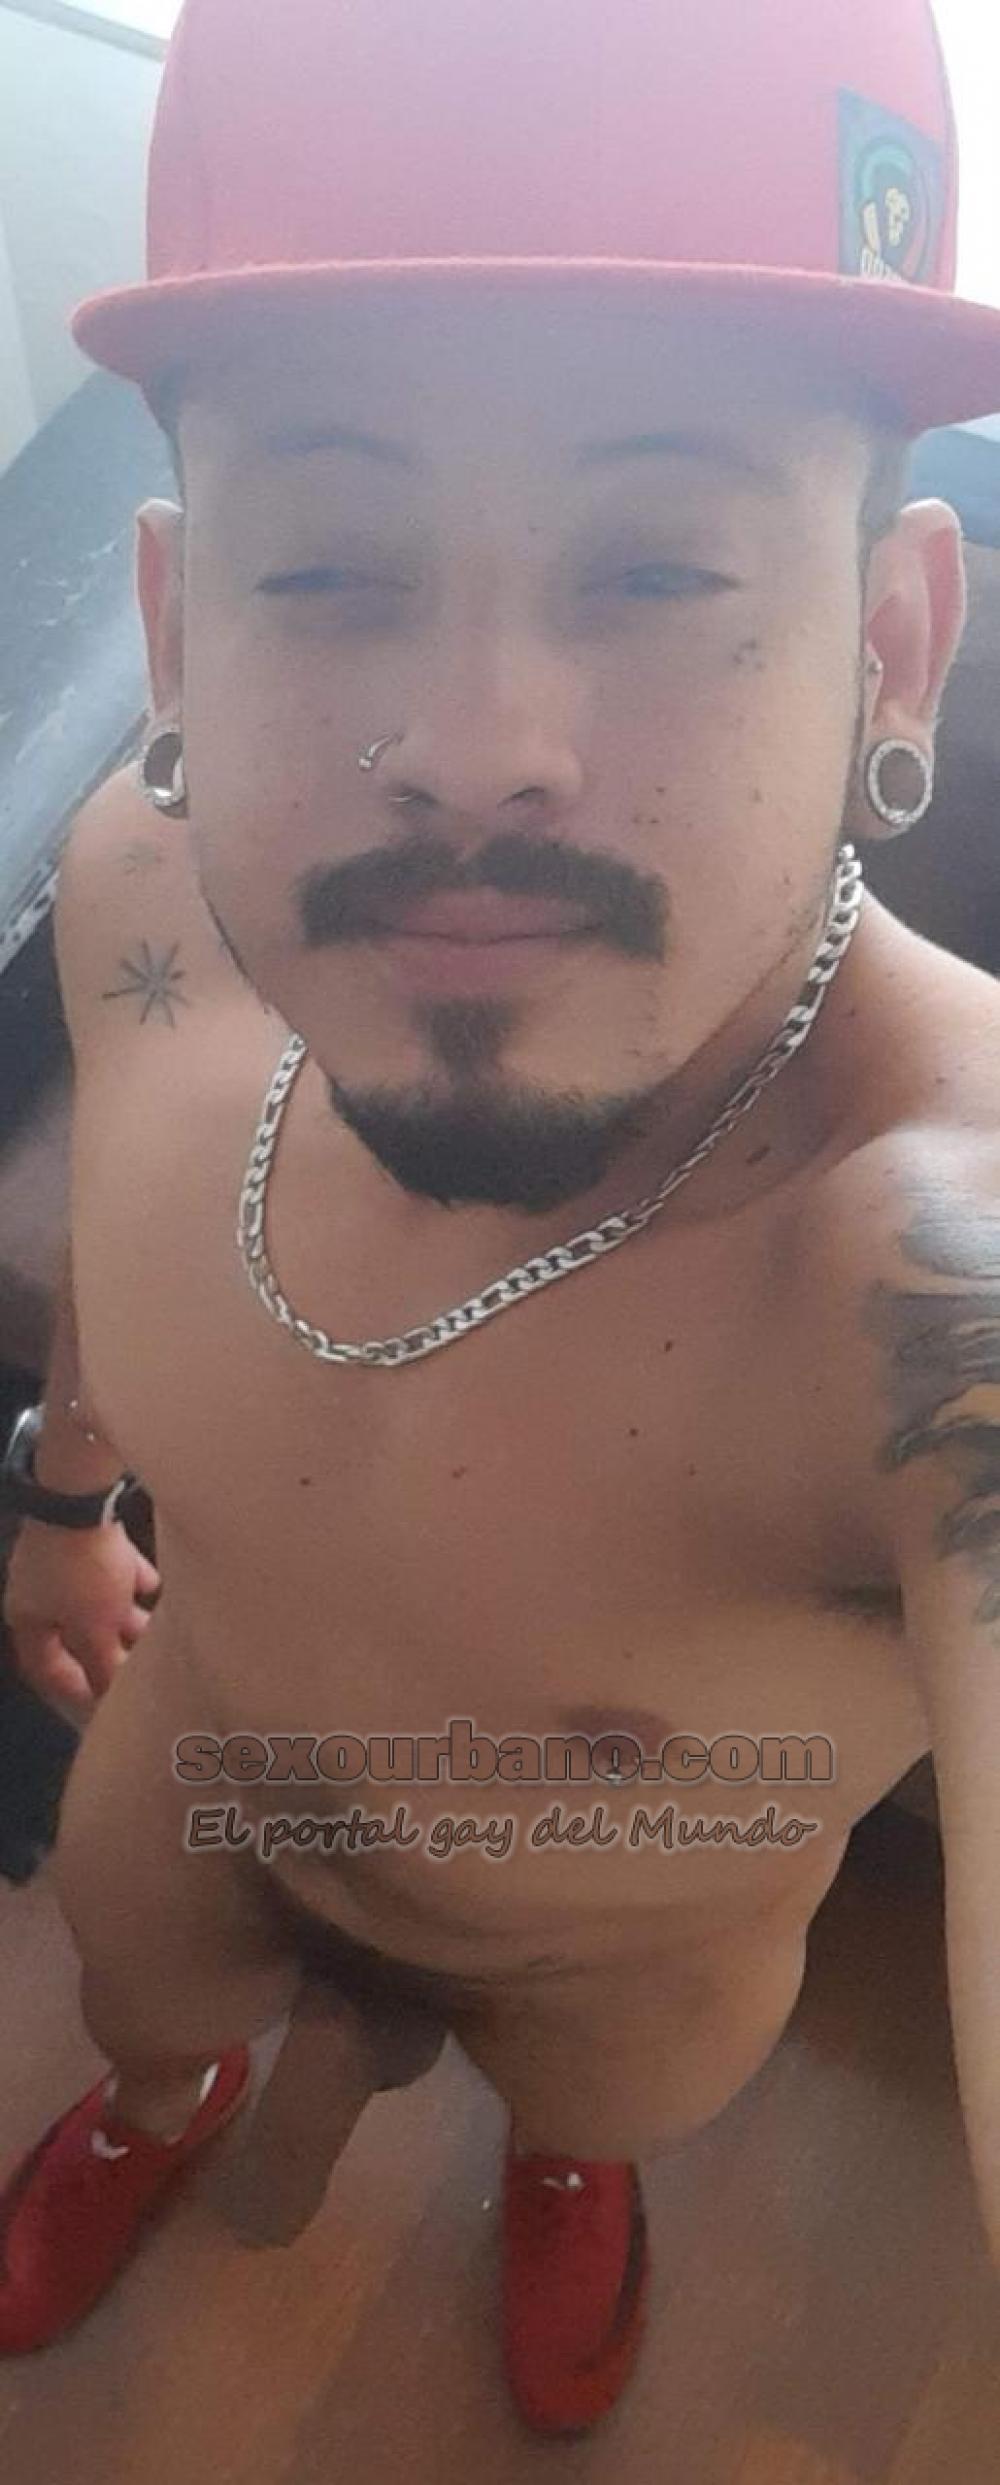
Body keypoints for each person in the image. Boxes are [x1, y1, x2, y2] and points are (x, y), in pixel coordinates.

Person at [1, 0, 999, 2437]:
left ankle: (566, 2177)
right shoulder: (141, 899)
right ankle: (163, 2107)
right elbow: (134, 1251)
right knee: (139, 2001)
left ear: (886, 640)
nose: (472, 748)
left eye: (654, 563)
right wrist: (60, 1497)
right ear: (174, 622)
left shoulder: (936, 1260)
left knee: (593, 2101)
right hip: (206, 1779)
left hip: (626, 1949)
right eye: (327, 561)